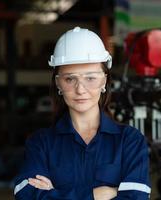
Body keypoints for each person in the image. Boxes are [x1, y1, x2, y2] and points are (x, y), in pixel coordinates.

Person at [13, 27, 151, 200]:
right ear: (58, 84)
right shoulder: (40, 144)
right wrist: (95, 195)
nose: (80, 89)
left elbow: (135, 198)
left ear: (105, 81)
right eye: (70, 79)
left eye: (90, 78)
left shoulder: (130, 141)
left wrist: (54, 194)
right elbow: (27, 196)